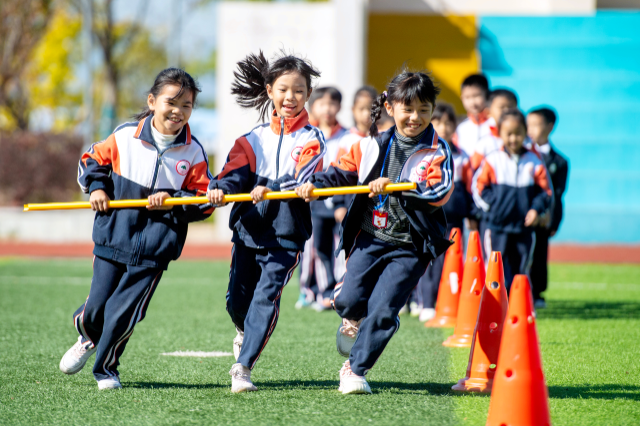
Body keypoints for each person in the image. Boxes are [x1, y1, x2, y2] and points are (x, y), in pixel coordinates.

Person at [296, 70, 454, 394]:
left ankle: (355, 369)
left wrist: (399, 189)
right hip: (370, 237)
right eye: (408, 109)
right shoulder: (369, 144)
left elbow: (440, 191)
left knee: (384, 309)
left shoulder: (437, 151)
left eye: (424, 110)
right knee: (348, 300)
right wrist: (316, 186)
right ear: (390, 106)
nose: (415, 117)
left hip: (411, 245)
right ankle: (350, 316)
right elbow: (339, 174)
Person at [59, 68, 213, 390]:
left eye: (187, 105)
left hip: (155, 249)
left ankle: (106, 370)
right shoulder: (124, 136)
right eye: (172, 102)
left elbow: (204, 203)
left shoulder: (194, 152)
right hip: (113, 237)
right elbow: (90, 160)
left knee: (122, 313)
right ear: (152, 101)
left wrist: (173, 200)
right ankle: (87, 335)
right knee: (96, 311)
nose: (178, 111)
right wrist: (97, 189)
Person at [206, 50, 325, 393]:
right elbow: (232, 175)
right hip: (248, 230)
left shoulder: (312, 139)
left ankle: (243, 366)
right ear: (270, 90)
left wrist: (271, 187)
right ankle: (245, 333)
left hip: (286, 234)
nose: (291, 97)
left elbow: (303, 174)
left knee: (265, 297)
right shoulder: (250, 139)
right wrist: (221, 189)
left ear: (308, 94)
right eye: (284, 89)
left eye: (300, 90)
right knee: (236, 302)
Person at [472, 109, 552, 291]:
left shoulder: (534, 162)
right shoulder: (492, 160)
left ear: (525, 133)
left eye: (518, 134)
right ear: (500, 134)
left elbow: (545, 192)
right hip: (497, 227)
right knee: (494, 269)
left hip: (524, 228)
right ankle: (494, 308)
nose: (513, 139)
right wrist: (493, 206)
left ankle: (520, 309)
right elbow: (479, 186)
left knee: (521, 269)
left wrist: (535, 210)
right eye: (509, 134)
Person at [416, 102, 476, 322]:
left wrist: (472, 215)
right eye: (438, 122)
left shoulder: (463, 157)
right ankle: (427, 303)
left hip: (455, 221)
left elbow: (470, 188)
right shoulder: (423, 154)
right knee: (430, 261)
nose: (444, 127)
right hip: (431, 220)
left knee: (454, 261)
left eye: (448, 122)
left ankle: (452, 302)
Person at [527, 107, 569, 308]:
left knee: (540, 255)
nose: (531, 130)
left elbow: (558, 194)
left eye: (536, 125)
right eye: (528, 125)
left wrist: (552, 218)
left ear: (550, 127)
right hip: (523, 214)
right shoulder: (524, 156)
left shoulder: (560, 161)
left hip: (543, 218)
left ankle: (537, 293)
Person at [470, 88, 518, 170]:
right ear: (488, 112)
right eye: (501, 107)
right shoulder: (483, 141)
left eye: (510, 107)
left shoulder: (525, 140)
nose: (506, 111)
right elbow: (473, 170)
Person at [455, 74, 491, 157]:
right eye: (467, 97)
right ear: (461, 98)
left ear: (487, 95)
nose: (472, 102)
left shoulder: (495, 124)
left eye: (476, 96)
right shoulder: (460, 127)